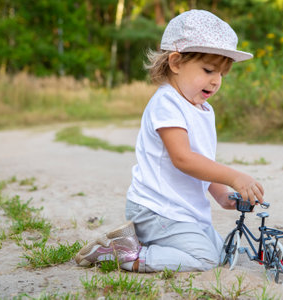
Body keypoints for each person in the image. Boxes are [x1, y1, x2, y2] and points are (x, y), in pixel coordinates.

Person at [75, 9, 264, 273]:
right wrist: (234, 177)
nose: (216, 80)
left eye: (222, 73)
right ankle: (125, 254)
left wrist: (221, 194)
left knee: (222, 253)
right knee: (206, 260)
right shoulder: (167, 103)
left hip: (184, 212)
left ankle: (137, 246)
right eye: (209, 69)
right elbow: (183, 159)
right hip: (157, 211)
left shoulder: (203, 109)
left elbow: (202, 162)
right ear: (175, 63)